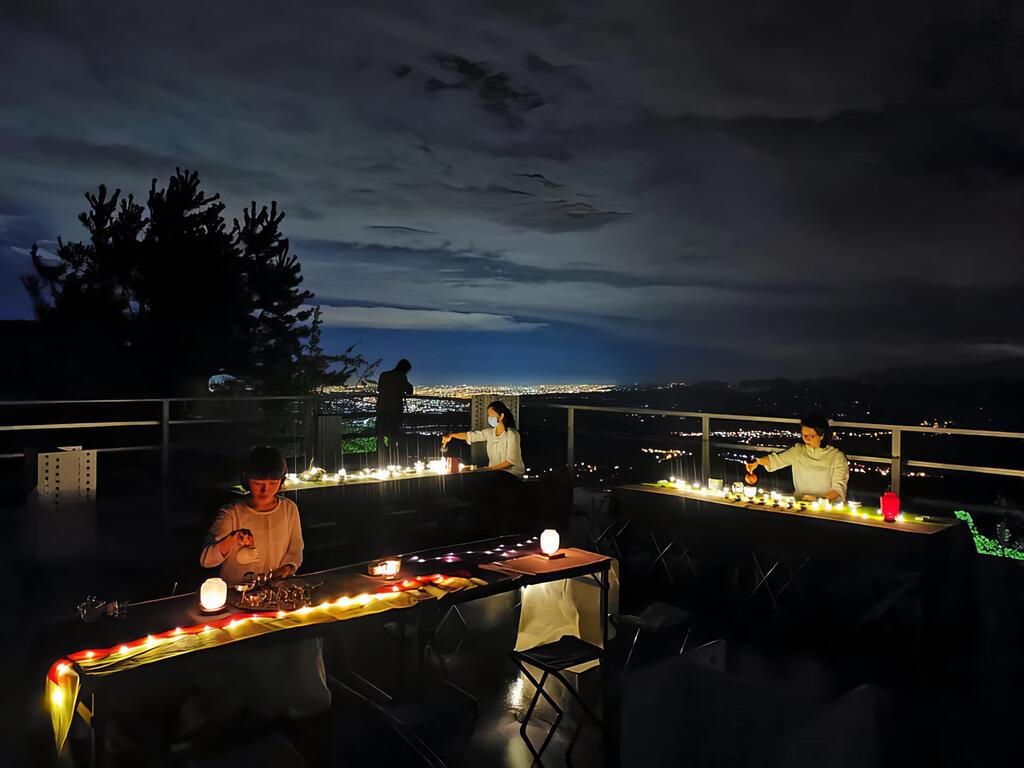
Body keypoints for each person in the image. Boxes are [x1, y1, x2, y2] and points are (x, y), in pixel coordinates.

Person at [201, 445, 303, 583]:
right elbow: (207, 560)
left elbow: (296, 548)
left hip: (273, 590)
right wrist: (232, 539)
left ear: (281, 481)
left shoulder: (289, 509)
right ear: (246, 479)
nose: (265, 490)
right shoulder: (232, 513)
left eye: (273, 483)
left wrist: (287, 568)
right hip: (237, 590)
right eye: (257, 483)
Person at [442, 400, 525, 533]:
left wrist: (488, 469)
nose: (489, 418)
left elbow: (510, 461)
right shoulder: (490, 433)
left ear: (501, 416)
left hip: (511, 475)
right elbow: (471, 436)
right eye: (488, 416)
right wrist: (451, 436)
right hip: (494, 473)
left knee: (484, 486)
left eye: (491, 415)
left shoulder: (512, 434)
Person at [745, 413, 849, 502]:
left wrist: (818, 500)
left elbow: (838, 489)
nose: (806, 439)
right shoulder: (798, 451)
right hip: (800, 503)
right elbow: (776, 460)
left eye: (811, 436)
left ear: (822, 435)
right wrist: (757, 462)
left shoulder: (837, 457)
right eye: (804, 435)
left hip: (827, 508)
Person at [376, 358, 413, 465]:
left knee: (380, 434)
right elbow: (410, 391)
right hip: (395, 409)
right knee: (393, 435)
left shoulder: (384, 375)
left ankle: (380, 457)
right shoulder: (401, 376)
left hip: (382, 409)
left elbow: (379, 389)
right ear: (405, 369)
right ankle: (391, 458)